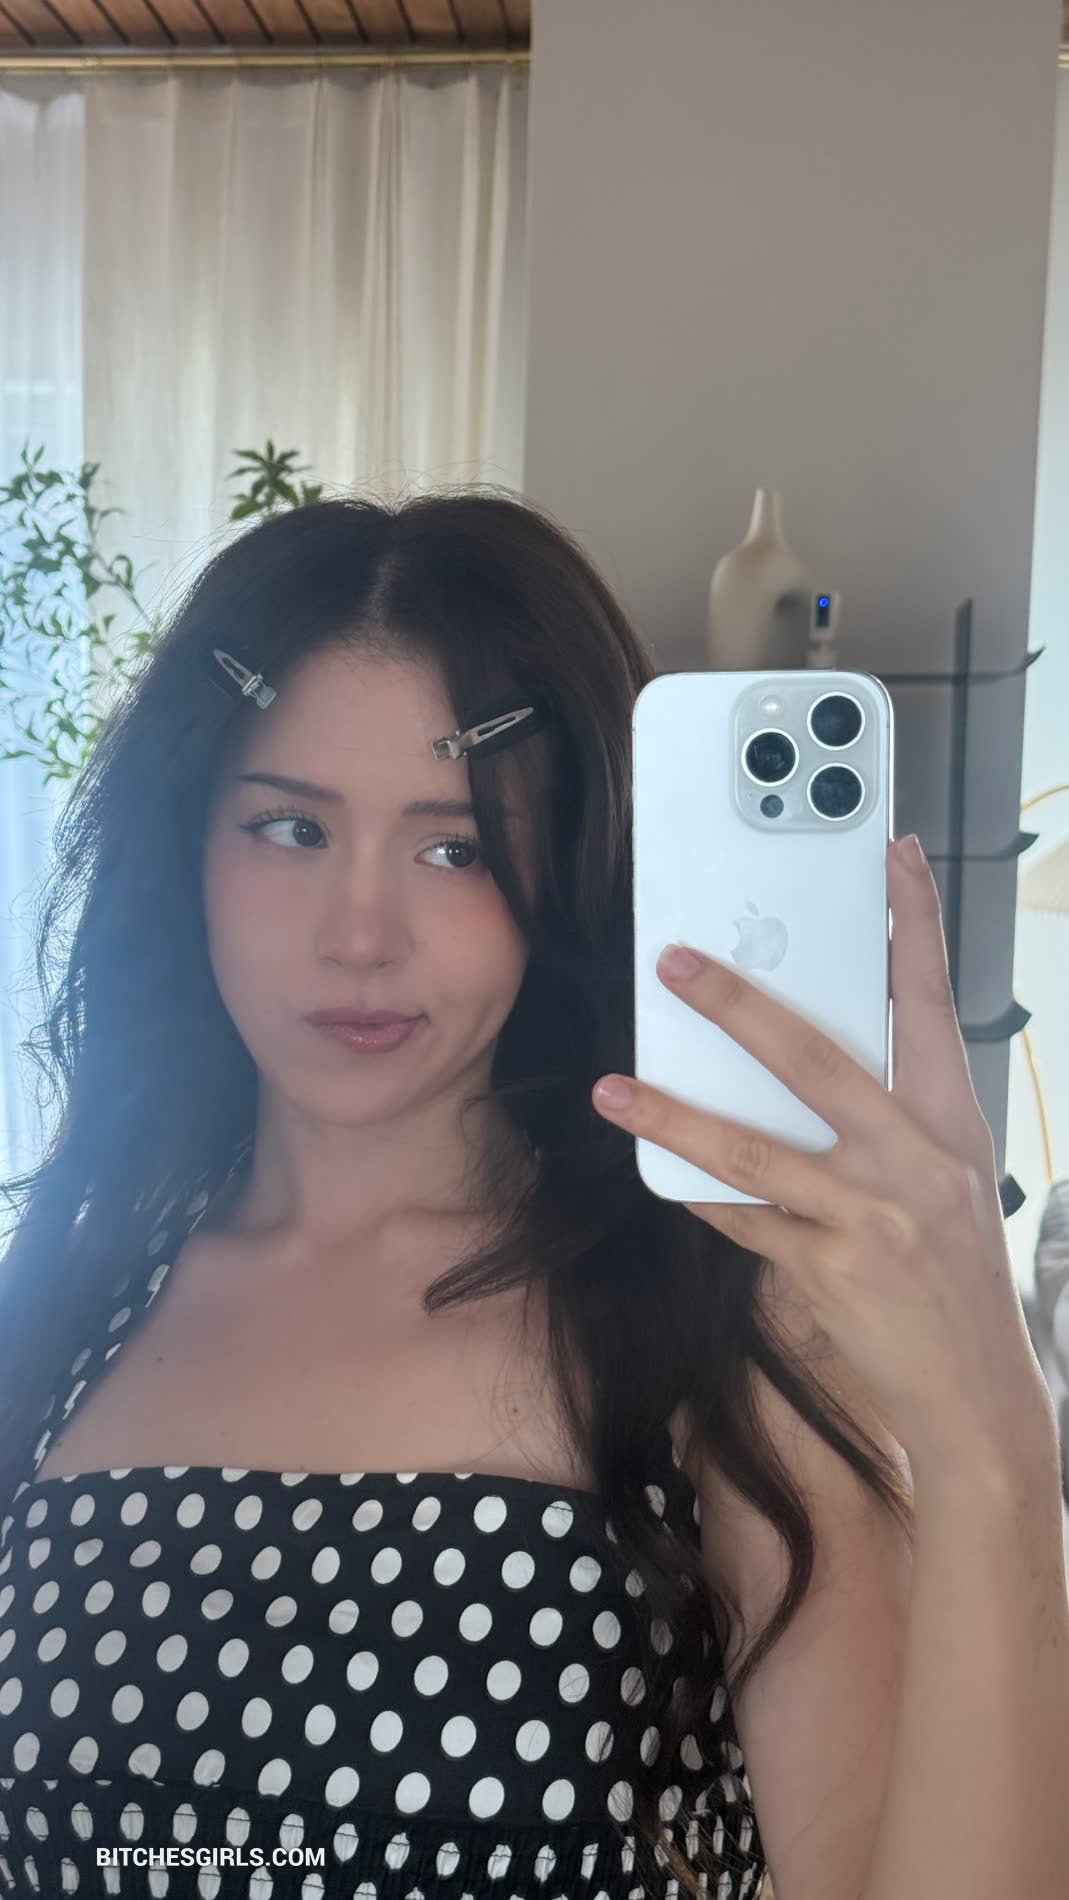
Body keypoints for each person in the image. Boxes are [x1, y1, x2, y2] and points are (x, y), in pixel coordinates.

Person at [0, 492, 1061, 1900]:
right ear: (184, 845)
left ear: (564, 872)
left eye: (453, 848)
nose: (359, 935)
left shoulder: (717, 1322)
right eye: (288, 828)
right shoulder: (66, 1300)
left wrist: (991, 1440)